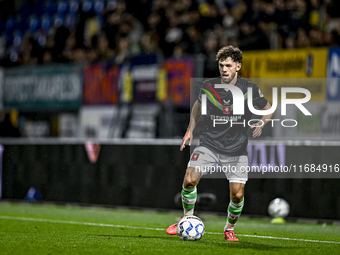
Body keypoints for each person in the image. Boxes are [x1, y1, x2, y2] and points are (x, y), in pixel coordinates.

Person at [165, 45, 275, 241]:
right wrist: (190, 129)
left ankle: (229, 229)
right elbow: (197, 107)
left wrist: (262, 122)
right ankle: (187, 219)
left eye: (228, 65)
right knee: (189, 180)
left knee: (237, 195)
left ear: (238, 67)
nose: (224, 69)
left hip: (236, 150)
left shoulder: (249, 89)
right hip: (209, 145)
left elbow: (269, 108)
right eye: (221, 65)